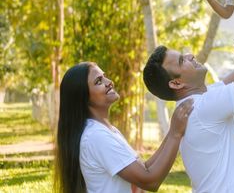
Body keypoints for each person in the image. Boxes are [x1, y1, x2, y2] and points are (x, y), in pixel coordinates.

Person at [143, 0, 234, 193]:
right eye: (182, 61)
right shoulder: (202, 107)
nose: (190, 55)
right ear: (176, 83)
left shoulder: (205, 98)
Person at [54, 62, 193, 193]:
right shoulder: (96, 136)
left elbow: (144, 169)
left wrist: (172, 131)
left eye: (104, 76)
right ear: (83, 97)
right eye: (98, 81)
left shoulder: (107, 130)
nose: (109, 82)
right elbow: (150, 181)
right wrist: (175, 134)